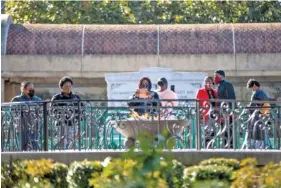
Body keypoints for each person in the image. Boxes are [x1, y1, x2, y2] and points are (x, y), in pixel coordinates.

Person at [51, 76, 81, 149]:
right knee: (61, 145)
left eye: (70, 86)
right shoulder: (56, 98)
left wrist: (79, 128)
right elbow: (53, 111)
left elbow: (81, 113)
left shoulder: (76, 97)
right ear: (61, 87)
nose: (68, 88)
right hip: (61, 125)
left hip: (73, 125)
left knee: (72, 146)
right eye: (66, 86)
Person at [11, 82, 41, 151]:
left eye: (33, 89)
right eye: (30, 89)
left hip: (34, 127)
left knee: (34, 146)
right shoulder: (17, 100)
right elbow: (13, 112)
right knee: (22, 147)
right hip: (22, 127)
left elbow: (41, 111)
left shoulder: (37, 99)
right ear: (24, 89)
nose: (32, 91)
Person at [214, 70, 236, 148]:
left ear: (222, 76)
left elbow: (232, 97)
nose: (215, 77)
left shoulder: (227, 84)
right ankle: (224, 146)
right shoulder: (218, 86)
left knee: (229, 130)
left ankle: (230, 147)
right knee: (223, 130)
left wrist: (232, 110)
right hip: (221, 112)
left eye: (216, 75)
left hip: (227, 112)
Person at [246, 79, 269, 149]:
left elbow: (252, 105)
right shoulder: (263, 93)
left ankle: (253, 146)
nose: (251, 89)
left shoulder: (256, 94)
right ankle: (265, 144)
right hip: (264, 113)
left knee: (255, 131)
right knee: (263, 130)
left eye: (251, 87)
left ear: (255, 86)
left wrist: (247, 108)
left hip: (257, 114)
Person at [196, 77, 218, 148]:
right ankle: (206, 148)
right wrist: (200, 117)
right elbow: (197, 105)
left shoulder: (215, 92)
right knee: (206, 134)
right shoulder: (200, 91)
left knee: (213, 133)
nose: (207, 83)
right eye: (205, 81)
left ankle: (211, 147)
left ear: (212, 83)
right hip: (205, 116)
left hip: (214, 116)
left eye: (209, 82)